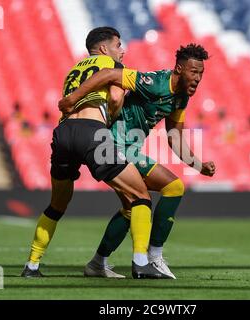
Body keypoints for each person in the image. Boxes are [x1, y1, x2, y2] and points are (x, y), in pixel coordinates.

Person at [21, 27, 171, 279]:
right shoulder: (111, 65)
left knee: (57, 205)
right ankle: (141, 263)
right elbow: (114, 97)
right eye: (118, 45)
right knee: (140, 195)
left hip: (63, 134)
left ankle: (32, 265)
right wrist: (111, 119)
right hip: (92, 132)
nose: (122, 51)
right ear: (104, 48)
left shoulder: (73, 70)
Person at [59, 43, 216, 279]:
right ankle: (153, 257)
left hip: (127, 147)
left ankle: (97, 263)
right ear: (179, 69)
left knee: (131, 208)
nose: (198, 78)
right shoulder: (155, 82)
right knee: (173, 187)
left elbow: (174, 137)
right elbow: (110, 74)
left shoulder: (181, 99)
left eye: (201, 74)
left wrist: (197, 164)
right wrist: (73, 98)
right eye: (193, 72)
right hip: (112, 143)